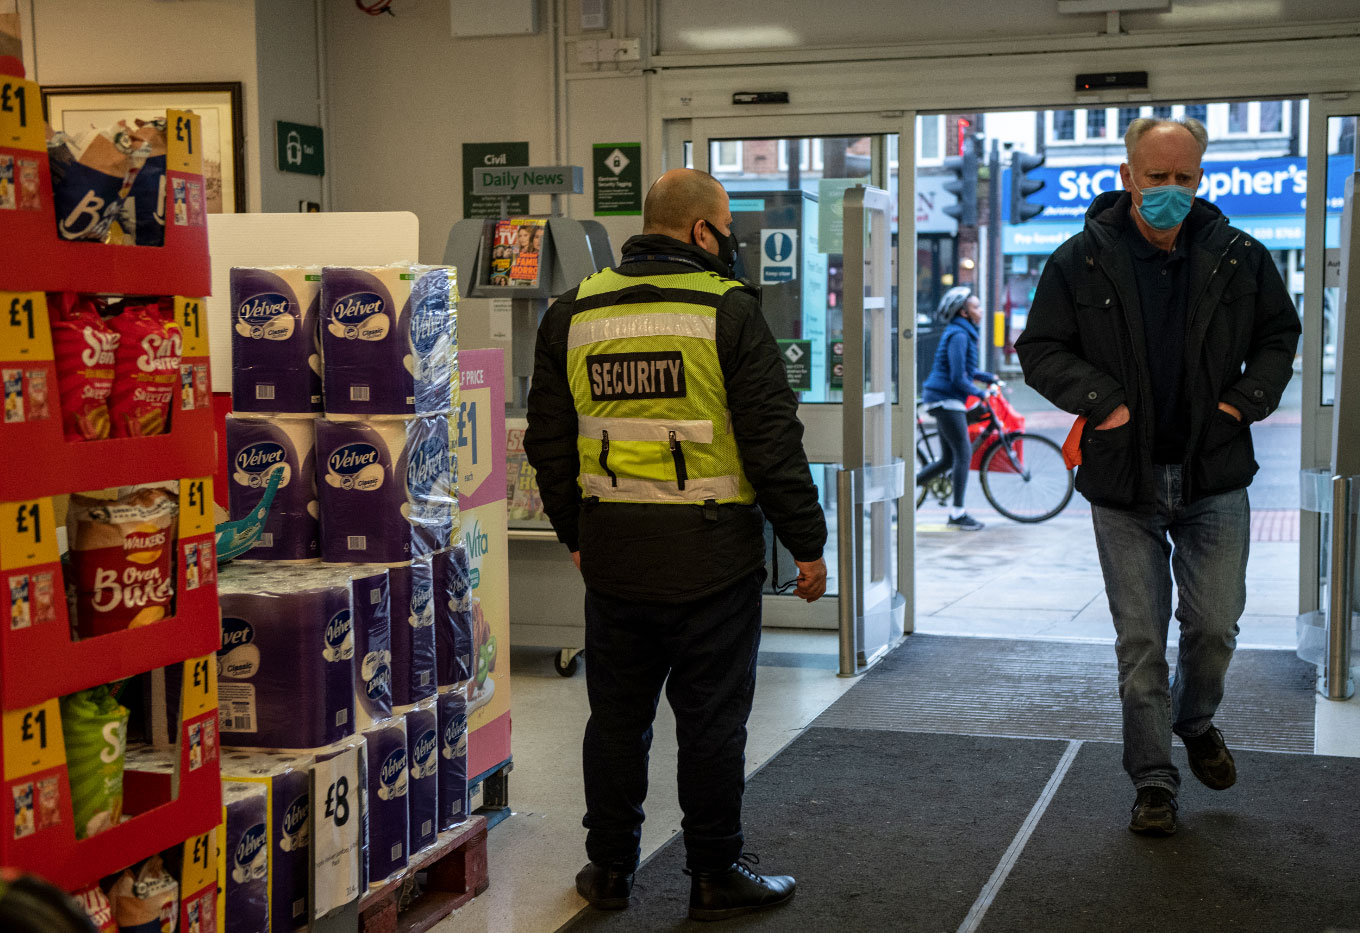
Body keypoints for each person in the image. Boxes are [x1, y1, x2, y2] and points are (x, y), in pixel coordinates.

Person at [524, 168, 828, 920]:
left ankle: (610, 870)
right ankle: (714, 871)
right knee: (712, 722)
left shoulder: (572, 312)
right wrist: (808, 542)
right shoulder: (729, 311)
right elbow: (771, 440)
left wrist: (576, 536)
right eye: (726, 229)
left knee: (617, 720)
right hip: (713, 559)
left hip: (615, 558)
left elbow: (548, 445)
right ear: (702, 231)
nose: (731, 243)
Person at [1015, 118, 1300, 836]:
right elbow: (1041, 348)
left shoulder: (1240, 256)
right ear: (1127, 175)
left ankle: (1195, 719)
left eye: (1185, 178)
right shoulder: (1079, 261)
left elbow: (1279, 335)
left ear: (1200, 178)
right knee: (1140, 642)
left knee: (1213, 626)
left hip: (1214, 479)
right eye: (1156, 177)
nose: (1171, 191)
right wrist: (1101, 400)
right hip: (1124, 485)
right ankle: (1153, 779)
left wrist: (1243, 401)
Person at [917, 286, 998, 530]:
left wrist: (989, 378)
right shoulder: (960, 335)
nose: (981, 310)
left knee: (948, 459)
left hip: (947, 399)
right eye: (976, 306)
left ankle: (900, 495)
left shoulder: (962, 332)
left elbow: (966, 371)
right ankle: (957, 513)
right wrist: (980, 392)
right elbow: (957, 378)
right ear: (963, 312)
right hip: (946, 399)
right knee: (963, 454)